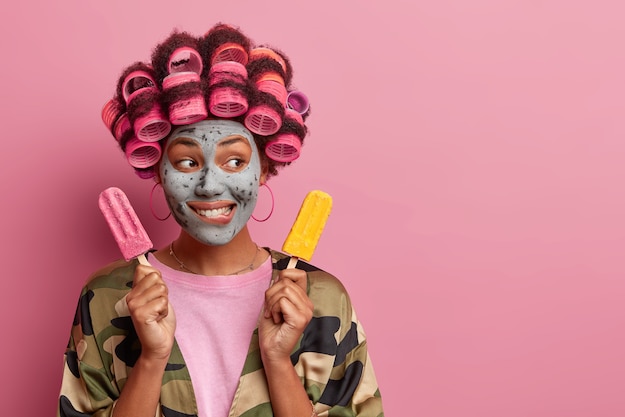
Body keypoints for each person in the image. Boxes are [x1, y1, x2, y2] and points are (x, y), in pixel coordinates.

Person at [57, 23, 384, 417]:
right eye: (186, 162)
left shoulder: (321, 300)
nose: (211, 185)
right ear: (158, 170)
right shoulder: (108, 296)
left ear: (264, 169)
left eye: (235, 161)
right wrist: (151, 359)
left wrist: (279, 361)